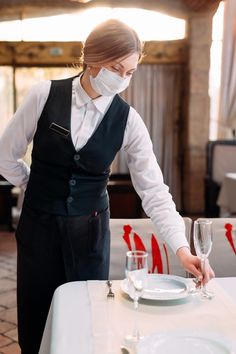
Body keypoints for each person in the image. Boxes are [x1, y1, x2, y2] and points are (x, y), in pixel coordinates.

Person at [0, 19, 214, 354]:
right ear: (93, 59)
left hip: (90, 235)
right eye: (117, 68)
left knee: (88, 320)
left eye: (130, 72)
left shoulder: (129, 120)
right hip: (38, 230)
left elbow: (155, 191)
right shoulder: (44, 95)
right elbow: (4, 155)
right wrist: (33, 186)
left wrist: (182, 250)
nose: (124, 79)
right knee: (36, 319)